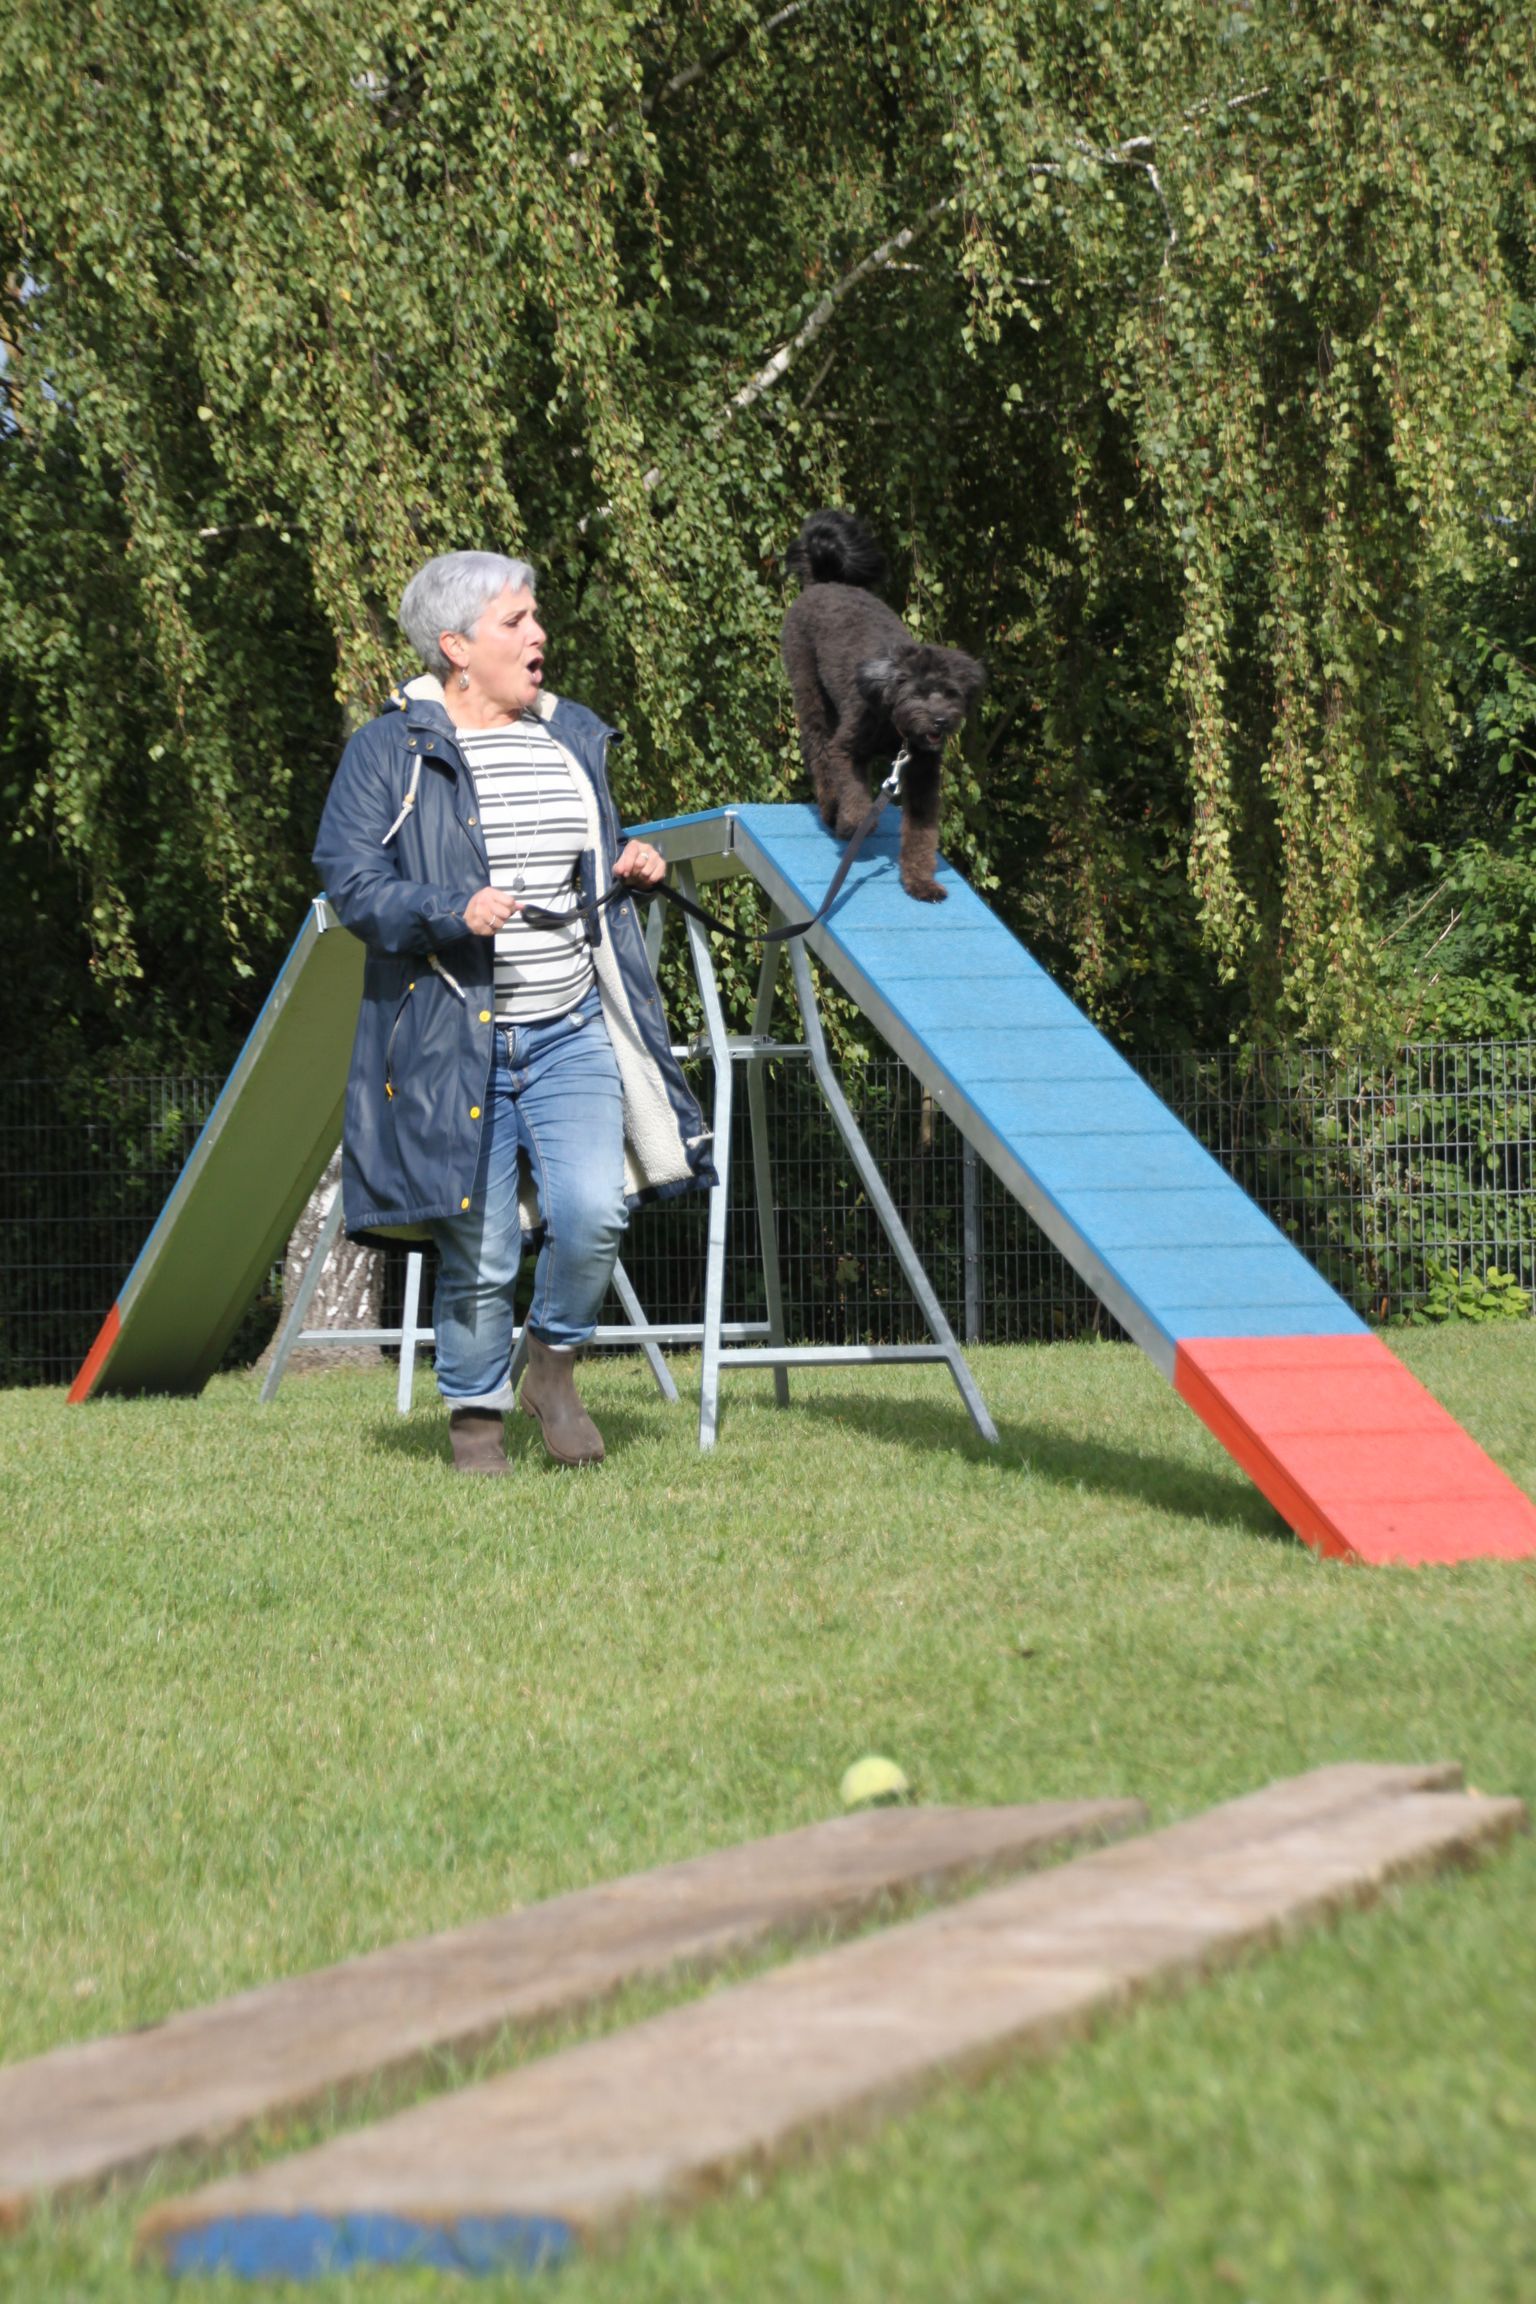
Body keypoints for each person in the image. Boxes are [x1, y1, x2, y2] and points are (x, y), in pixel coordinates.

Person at [313, 550, 713, 1473]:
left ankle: (552, 1366)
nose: (539, 635)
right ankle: (476, 1425)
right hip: (456, 1038)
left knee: (595, 1214)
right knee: (484, 1248)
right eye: (516, 622)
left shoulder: (565, 735)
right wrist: (448, 909)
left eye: (535, 617)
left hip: (570, 1028)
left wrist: (630, 866)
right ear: (457, 647)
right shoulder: (388, 751)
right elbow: (353, 883)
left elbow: (579, 857)